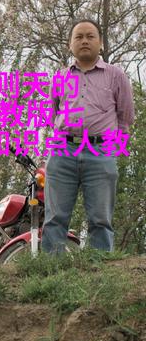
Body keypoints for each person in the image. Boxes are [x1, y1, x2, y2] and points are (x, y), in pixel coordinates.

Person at [42, 19, 135, 253]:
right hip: (63, 150)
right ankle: (51, 269)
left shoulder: (116, 75)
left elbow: (125, 117)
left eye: (90, 36)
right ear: (70, 44)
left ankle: (99, 268)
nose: (84, 41)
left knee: (100, 219)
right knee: (55, 218)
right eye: (79, 37)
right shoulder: (60, 77)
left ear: (100, 43)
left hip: (100, 151)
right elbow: (52, 114)